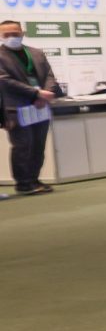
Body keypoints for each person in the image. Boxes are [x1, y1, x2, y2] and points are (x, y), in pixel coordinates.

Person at [0, 17, 64, 196]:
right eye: (7, 34)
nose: (12, 37)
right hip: (16, 108)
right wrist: (36, 94)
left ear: (22, 33)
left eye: (15, 33)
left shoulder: (36, 53)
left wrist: (46, 93)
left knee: (38, 145)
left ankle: (34, 179)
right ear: (1, 36)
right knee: (22, 146)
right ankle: (23, 183)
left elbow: (49, 75)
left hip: (40, 106)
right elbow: (4, 81)